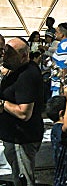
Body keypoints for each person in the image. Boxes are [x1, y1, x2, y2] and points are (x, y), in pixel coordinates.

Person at [0, 37, 44, 186]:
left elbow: (24, 113)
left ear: (24, 56)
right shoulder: (17, 69)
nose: (4, 57)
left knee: (23, 180)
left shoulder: (27, 75)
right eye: (5, 53)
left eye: (10, 55)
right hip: (13, 136)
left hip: (22, 139)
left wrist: (2, 103)